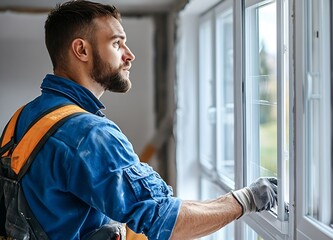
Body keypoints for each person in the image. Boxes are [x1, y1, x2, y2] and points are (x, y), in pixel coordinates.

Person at [0, 0, 279, 239]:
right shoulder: (88, 135)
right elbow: (166, 222)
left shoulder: (24, 117)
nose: (129, 55)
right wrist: (247, 199)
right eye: (116, 43)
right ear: (81, 50)